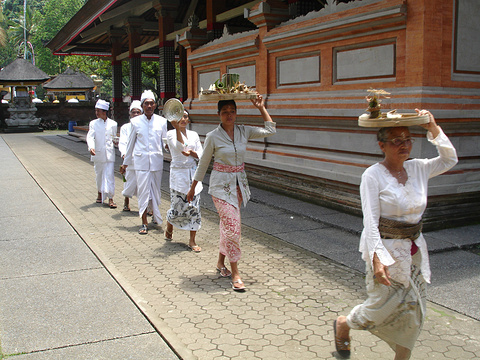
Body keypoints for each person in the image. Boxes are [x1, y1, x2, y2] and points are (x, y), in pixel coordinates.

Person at [334, 109, 458, 359]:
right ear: (382, 145)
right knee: (379, 309)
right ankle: (344, 323)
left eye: (408, 139)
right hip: (386, 252)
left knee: (413, 310)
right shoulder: (373, 175)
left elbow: (449, 160)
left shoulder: (419, 169)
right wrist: (377, 259)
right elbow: (370, 222)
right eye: (396, 140)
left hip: (414, 250)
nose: (404, 145)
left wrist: (433, 127)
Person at [186, 94, 276, 291]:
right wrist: (193, 188)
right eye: (225, 112)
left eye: (232, 111)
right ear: (218, 114)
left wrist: (261, 107)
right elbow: (203, 163)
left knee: (227, 226)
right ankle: (235, 272)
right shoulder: (213, 136)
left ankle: (220, 263)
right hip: (220, 188)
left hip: (239, 187)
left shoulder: (244, 131)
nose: (229, 115)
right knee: (233, 228)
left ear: (236, 113)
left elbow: (270, 130)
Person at [123, 90, 168, 234]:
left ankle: (155, 215)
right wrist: (125, 163)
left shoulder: (162, 122)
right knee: (143, 192)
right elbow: (130, 145)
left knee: (155, 191)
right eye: (146, 103)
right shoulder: (135, 122)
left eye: (151, 103)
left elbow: (165, 142)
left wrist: (175, 147)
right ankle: (143, 222)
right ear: (142, 106)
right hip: (140, 162)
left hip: (156, 162)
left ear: (155, 105)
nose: (149, 106)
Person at [165, 110, 204, 252]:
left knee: (194, 208)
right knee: (177, 208)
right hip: (178, 175)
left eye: (185, 116)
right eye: (180, 116)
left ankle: (192, 240)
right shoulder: (170, 133)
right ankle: (170, 222)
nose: (183, 119)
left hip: (193, 174)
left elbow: (201, 153)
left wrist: (193, 153)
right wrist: (176, 128)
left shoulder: (194, 134)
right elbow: (180, 147)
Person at [86, 99, 118, 208]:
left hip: (109, 154)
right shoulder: (93, 124)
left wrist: (116, 141)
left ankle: (110, 198)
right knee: (99, 175)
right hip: (98, 154)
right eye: (96, 110)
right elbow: (90, 136)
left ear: (104, 112)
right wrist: (91, 147)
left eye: (98, 111)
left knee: (109, 176)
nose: (97, 113)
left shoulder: (113, 124)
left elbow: (114, 137)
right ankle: (100, 193)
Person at [119, 100, 142, 211]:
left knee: (144, 184)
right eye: (134, 112)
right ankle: (126, 201)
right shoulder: (125, 127)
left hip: (142, 160)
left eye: (138, 112)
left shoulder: (144, 126)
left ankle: (147, 206)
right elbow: (123, 142)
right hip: (129, 160)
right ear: (130, 114)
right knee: (128, 181)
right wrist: (124, 154)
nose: (136, 114)